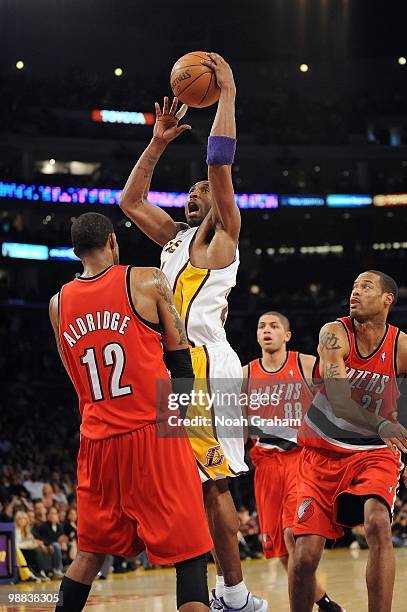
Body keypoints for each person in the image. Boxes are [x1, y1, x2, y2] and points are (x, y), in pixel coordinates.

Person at [120, 52, 266, 612]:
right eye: (191, 190)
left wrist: (225, 94)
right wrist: (157, 142)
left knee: (215, 482)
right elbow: (130, 201)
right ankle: (223, 589)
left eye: (201, 190)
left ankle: (233, 593)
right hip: (179, 368)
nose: (194, 192)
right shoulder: (177, 242)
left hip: (205, 363)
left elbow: (220, 164)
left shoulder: (223, 235)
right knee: (193, 484)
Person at [49, 212, 212, 611]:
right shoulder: (146, 279)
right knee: (189, 552)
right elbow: (181, 360)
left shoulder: (58, 303)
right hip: (152, 430)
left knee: (90, 551)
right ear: (111, 242)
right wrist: (176, 420)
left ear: (75, 251)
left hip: (97, 439)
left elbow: (76, 380)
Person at [291, 270, 407, 612]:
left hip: (374, 453)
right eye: (353, 285)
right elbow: (340, 402)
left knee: (378, 524)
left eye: (366, 287)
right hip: (323, 448)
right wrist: (383, 423)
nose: (355, 292)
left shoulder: (400, 346)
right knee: (305, 558)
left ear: (387, 299)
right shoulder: (333, 334)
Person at [244, 312, 344, 612]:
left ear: (287, 335)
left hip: (301, 461)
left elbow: (339, 391)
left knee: (293, 536)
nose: (267, 330)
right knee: (285, 553)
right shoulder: (244, 374)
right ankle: (326, 604)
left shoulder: (305, 364)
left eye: (274, 326)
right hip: (265, 467)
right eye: (261, 326)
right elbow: (232, 422)